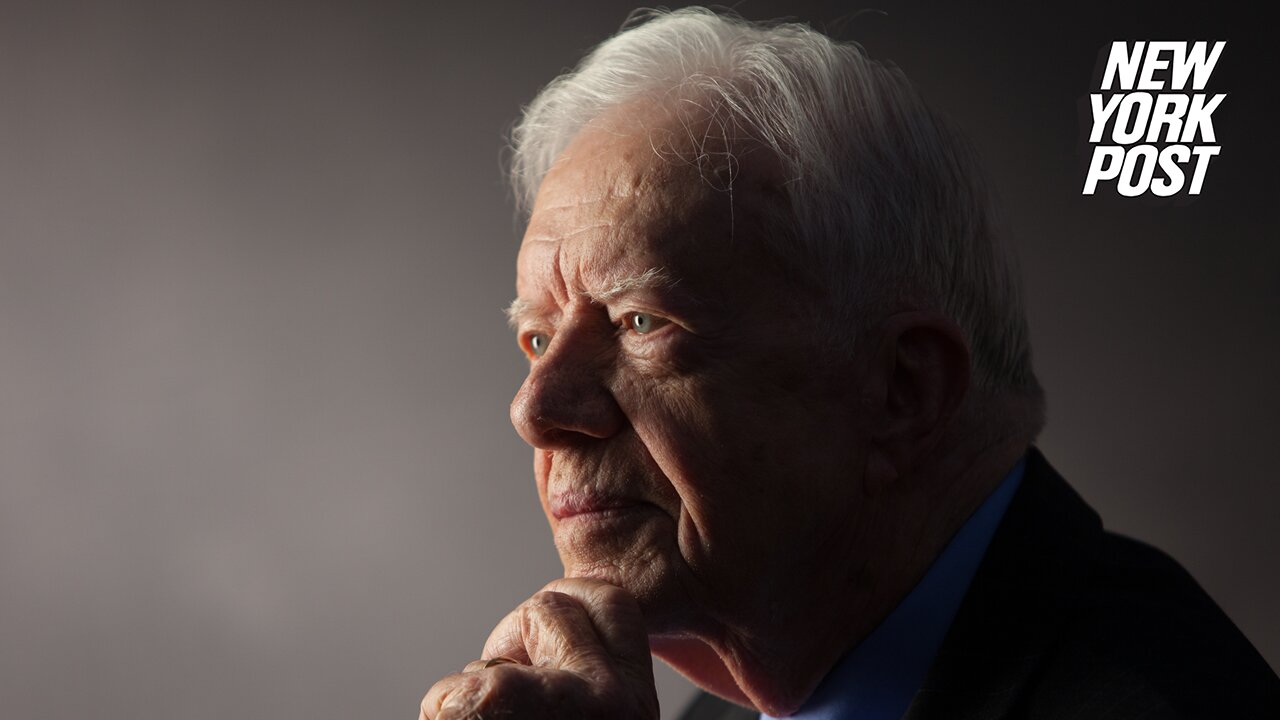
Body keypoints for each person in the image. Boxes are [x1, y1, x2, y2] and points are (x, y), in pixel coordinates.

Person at [421, 8, 1279, 719]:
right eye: (537, 336)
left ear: (902, 391)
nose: (536, 407)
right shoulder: (740, 690)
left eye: (642, 320)